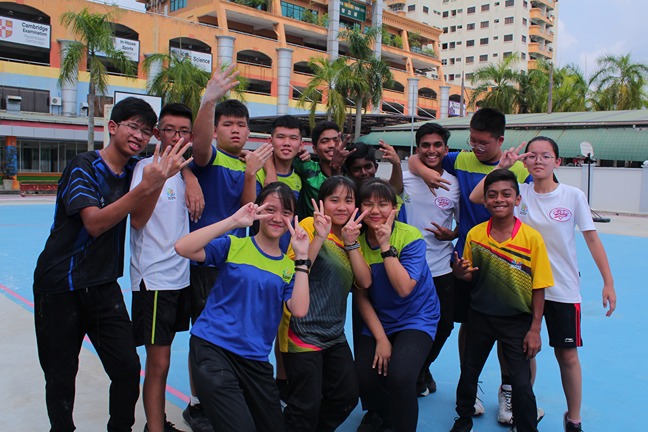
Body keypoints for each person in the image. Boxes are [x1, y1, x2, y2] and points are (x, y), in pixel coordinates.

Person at [33, 97, 190, 432]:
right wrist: (148, 186)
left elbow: (169, 168)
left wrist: (187, 179)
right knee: (61, 374)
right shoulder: (84, 166)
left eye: (145, 131)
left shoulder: (135, 170)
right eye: (133, 127)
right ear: (113, 126)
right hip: (60, 285)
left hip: (103, 285)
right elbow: (95, 223)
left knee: (127, 368)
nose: (139, 135)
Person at [469, 137, 617, 432]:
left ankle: (573, 419)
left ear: (557, 162)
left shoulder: (572, 195)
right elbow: (476, 197)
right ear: (524, 161)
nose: (538, 160)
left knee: (567, 355)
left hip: (562, 289)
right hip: (522, 289)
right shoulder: (519, 193)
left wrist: (608, 281)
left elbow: (591, 238)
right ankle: (523, 408)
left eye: (546, 156)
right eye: (532, 155)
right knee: (524, 353)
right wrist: (501, 166)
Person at [408, 107, 531, 422]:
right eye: (472, 140)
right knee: (467, 324)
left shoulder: (520, 170)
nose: (476, 147)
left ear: (500, 140)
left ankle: (508, 391)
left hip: (508, 262)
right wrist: (424, 172)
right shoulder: (460, 159)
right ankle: (470, 385)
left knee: (509, 328)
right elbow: (419, 157)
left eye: (483, 143)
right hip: (466, 258)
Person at [174, 182, 310, 432]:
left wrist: (302, 258)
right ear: (257, 210)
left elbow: (299, 310)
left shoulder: (288, 267)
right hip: (213, 348)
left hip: (254, 360)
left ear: (293, 218)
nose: (277, 218)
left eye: (286, 212)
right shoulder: (234, 246)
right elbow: (183, 247)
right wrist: (233, 222)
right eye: (270, 209)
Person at [450, 169, 553, 432]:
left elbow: (539, 287)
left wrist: (535, 329)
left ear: (517, 199)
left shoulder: (532, 239)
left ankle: (527, 426)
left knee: (521, 383)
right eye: (493, 195)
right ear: (485, 201)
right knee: (469, 372)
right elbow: (470, 275)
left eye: (506, 194)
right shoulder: (475, 235)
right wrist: (461, 273)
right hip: (479, 317)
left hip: (516, 322)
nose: (499, 199)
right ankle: (463, 418)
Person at [183, 66, 255, 431]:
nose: (235, 130)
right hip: (207, 263)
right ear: (215, 130)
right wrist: (208, 100)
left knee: (233, 332)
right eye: (228, 124)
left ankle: (227, 396)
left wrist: (253, 172)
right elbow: (197, 146)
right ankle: (198, 402)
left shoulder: (247, 164)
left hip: (236, 263)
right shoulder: (208, 157)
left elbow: (249, 209)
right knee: (204, 334)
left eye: (241, 125)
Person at [279, 176, 371, 431]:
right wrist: (319, 236)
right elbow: (296, 269)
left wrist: (352, 243)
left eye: (348, 200)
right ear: (321, 203)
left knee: (346, 396)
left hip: (334, 334)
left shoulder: (353, 236)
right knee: (304, 406)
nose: (341, 207)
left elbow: (364, 282)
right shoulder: (309, 225)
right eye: (334, 200)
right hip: (301, 332)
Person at [130, 103, 199, 432]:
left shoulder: (187, 173)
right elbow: (137, 219)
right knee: (158, 363)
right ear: (157, 133)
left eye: (183, 131)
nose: (176, 137)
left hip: (180, 277)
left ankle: (157, 424)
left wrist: (187, 174)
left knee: (166, 357)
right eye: (169, 130)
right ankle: (154, 428)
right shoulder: (146, 168)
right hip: (155, 280)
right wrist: (162, 177)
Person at [354, 178, 440, 432]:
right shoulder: (355, 241)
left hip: (417, 317)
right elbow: (361, 295)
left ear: (395, 208)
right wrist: (381, 339)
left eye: (383, 204)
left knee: (400, 377)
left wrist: (385, 245)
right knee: (363, 378)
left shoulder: (409, 236)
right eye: (368, 204)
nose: (375, 210)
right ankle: (387, 416)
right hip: (381, 317)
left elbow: (404, 288)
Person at [401, 123, 460, 397]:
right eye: (425, 145)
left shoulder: (455, 184)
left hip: (441, 267)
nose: (431, 150)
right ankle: (410, 372)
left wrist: (452, 233)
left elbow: (462, 224)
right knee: (407, 324)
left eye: (437, 145)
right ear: (418, 148)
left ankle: (422, 367)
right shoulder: (404, 178)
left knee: (444, 324)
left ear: (446, 149)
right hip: (407, 268)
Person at [241, 114, 305, 252]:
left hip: (287, 254)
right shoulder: (256, 172)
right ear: (270, 141)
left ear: (301, 144)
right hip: (256, 252)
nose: (286, 143)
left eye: (293, 138)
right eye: (281, 137)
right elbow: (249, 210)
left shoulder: (300, 178)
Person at [293, 121, 354, 219]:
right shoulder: (307, 168)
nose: (332, 145)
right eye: (325, 141)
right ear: (315, 149)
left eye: (336, 140)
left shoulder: (352, 172)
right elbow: (278, 156)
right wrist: (297, 153)